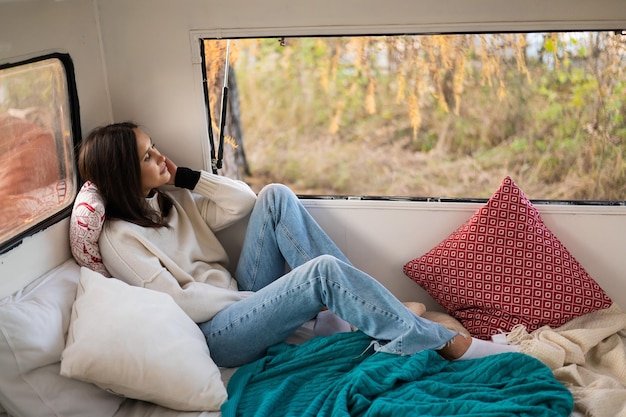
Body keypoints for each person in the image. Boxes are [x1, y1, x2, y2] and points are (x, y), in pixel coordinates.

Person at [78, 121, 519, 368]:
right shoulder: (120, 238)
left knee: (275, 196)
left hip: (239, 299)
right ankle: (442, 342)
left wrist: (184, 177)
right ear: (121, 171)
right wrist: (257, 299)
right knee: (322, 271)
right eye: (147, 156)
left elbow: (244, 201)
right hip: (217, 333)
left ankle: (355, 319)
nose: (160, 157)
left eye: (155, 148)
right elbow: (179, 303)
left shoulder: (170, 201)